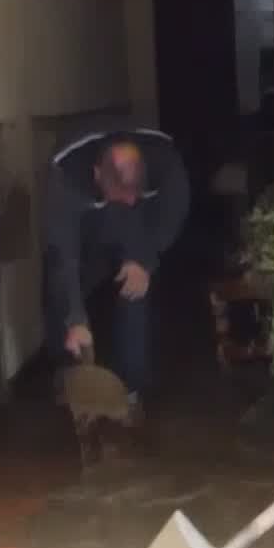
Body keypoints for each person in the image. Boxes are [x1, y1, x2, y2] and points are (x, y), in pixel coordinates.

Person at [42, 125, 191, 401]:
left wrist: (146, 260)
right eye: (121, 197)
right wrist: (75, 318)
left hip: (140, 224)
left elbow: (174, 212)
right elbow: (64, 253)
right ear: (97, 174)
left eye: (134, 194)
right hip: (86, 229)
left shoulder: (164, 161)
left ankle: (131, 388)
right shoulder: (67, 173)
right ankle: (67, 372)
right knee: (62, 286)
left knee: (134, 283)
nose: (129, 200)